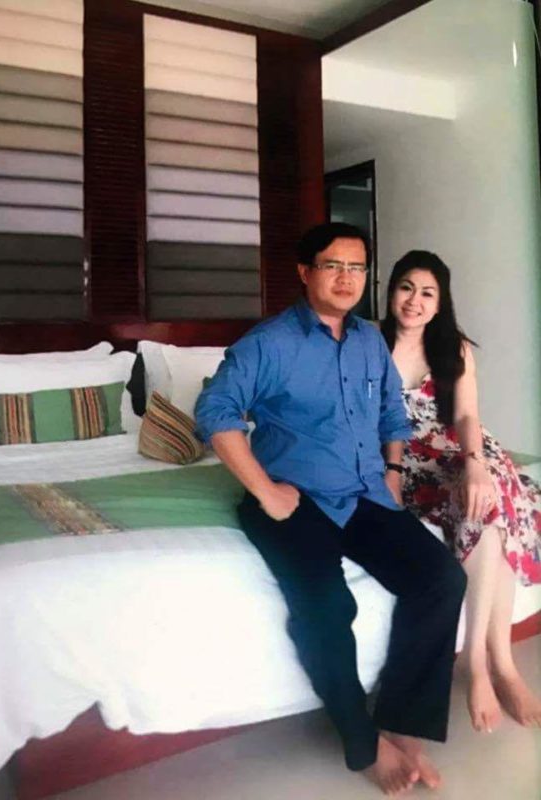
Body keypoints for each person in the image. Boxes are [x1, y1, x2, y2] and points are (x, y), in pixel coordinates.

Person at [195, 223, 466, 797]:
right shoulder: (269, 342)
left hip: (364, 493)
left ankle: (403, 723)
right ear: (305, 272)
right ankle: (361, 742)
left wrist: (392, 472)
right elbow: (215, 411)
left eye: (357, 268)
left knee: (441, 577)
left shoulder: (369, 339)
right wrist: (266, 491)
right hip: (294, 497)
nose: (346, 279)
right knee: (326, 602)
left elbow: (391, 412)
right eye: (332, 266)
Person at [381, 250, 541, 734]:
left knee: (491, 493)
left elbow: (468, 416)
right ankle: (491, 662)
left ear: (440, 302)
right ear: (391, 290)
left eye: (427, 293)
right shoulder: (369, 343)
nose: (415, 301)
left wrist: (474, 464)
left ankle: (488, 661)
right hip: (411, 461)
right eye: (406, 287)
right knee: (498, 506)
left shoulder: (455, 347)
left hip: (463, 448)